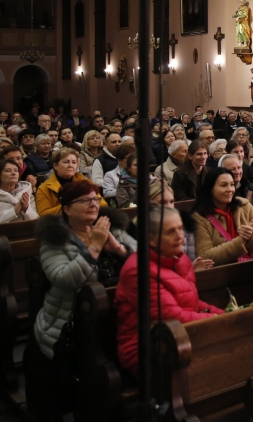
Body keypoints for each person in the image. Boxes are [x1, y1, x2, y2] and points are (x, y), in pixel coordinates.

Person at [34, 180, 134, 363]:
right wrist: (95, 247)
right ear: (67, 209)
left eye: (96, 199)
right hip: (74, 322)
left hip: (121, 312)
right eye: (84, 201)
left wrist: (119, 249)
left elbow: (144, 262)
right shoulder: (55, 239)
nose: (93, 204)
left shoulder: (111, 228)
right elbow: (63, 278)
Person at [116, 204, 221, 375]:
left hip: (181, 337)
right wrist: (216, 320)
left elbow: (192, 302)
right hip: (148, 347)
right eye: (171, 232)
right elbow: (171, 316)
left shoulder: (179, 259)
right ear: (151, 239)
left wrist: (221, 314)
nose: (180, 236)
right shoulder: (137, 271)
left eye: (181, 229)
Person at [192, 165, 253, 265]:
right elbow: (205, 256)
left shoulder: (244, 206)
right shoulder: (199, 217)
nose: (230, 189)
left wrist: (251, 236)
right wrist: (240, 241)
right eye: (223, 185)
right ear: (210, 189)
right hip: (222, 274)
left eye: (232, 185)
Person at [36, 148, 99, 218]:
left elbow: (102, 203)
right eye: (66, 162)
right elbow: (44, 214)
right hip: (59, 225)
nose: (70, 165)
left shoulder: (86, 182)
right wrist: (72, 205)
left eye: (74, 162)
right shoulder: (43, 189)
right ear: (55, 166)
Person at [0, 158, 39, 225]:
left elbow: (37, 221)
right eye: (8, 171)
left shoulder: (26, 192)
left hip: (25, 233)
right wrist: (13, 212)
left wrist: (26, 209)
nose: (13, 173)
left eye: (16, 170)